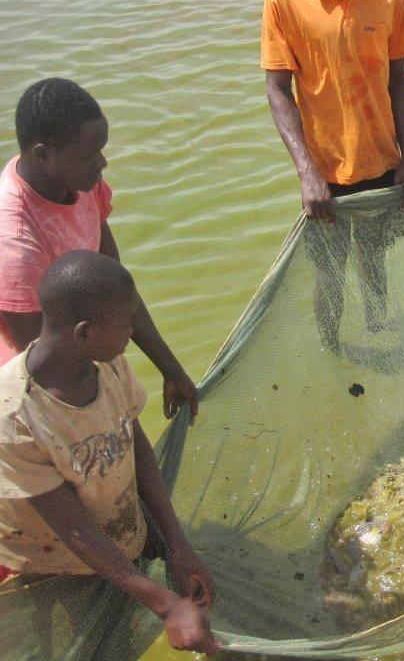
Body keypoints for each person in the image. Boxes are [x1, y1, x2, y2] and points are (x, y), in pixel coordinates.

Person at [0, 251, 219, 655]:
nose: (131, 333)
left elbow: (136, 447)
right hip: (54, 567)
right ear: (83, 333)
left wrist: (178, 544)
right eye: (125, 325)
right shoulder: (15, 417)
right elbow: (75, 531)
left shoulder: (109, 365)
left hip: (119, 537)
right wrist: (167, 606)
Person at [261, 0, 404, 342]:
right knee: (329, 270)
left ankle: (378, 328)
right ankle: (331, 346)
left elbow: (399, 81)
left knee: (375, 258)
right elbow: (277, 89)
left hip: (382, 161)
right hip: (326, 171)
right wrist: (307, 173)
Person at [0, 78, 198, 421]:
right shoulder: (15, 242)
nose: (102, 163)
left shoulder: (80, 181)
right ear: (43, 155)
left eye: (101, 149)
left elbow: (117, 289)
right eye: (90, 155)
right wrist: (112, 413)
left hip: (91, 343)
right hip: (36, 386)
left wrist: (170, 368)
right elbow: (42, 366)